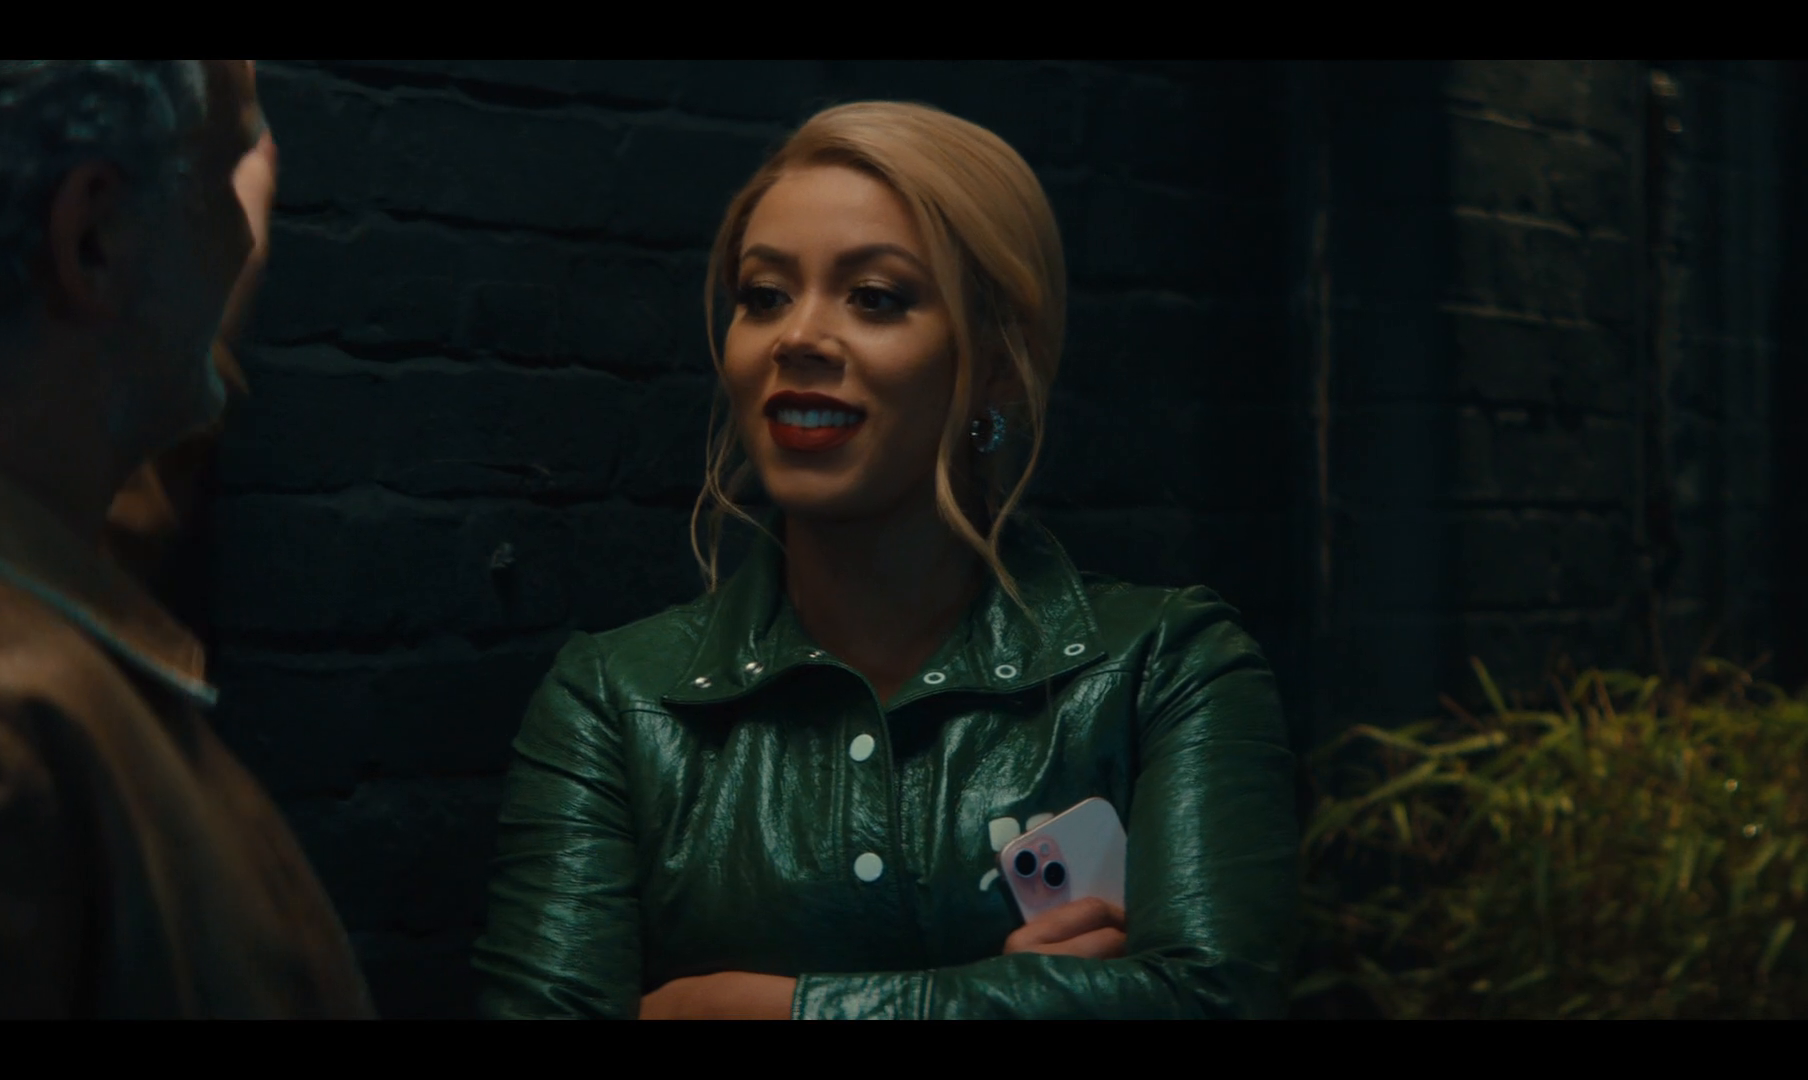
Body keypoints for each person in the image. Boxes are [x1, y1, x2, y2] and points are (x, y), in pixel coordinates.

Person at [473, 101, 1299, 1019]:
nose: (797, 337)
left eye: (874, 297)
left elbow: (1213, 1001)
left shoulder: (1166, 669)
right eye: (765, 295)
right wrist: (1027, 1003)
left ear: (996, 359)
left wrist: (762, 1011)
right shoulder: (614, 702)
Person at [0, 60, 374, 1018]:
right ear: (95, 238)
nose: (241, 236)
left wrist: (186, 347)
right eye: (220, 176)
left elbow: (61, 549)